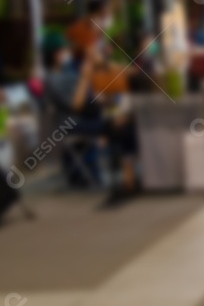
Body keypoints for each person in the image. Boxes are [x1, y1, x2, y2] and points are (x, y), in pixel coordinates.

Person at [44, 41, 139, 203]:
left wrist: (102, 65)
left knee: (129, 121)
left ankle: (129, 175)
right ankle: (125, 178)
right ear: (55, 54)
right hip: (72, 124)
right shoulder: (54, 80)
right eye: (63, 50)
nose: (67, 52)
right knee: (118, 126)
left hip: (91, 116)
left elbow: (133, 73)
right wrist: (85, 77)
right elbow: (76, 105)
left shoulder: (69, 72)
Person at [66, 0, 111, 65]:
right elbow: (93, 56)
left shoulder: (99, 31)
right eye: (103, 14)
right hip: (77, 67)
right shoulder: (80, 28)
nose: (106, 17)